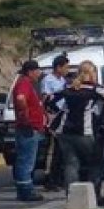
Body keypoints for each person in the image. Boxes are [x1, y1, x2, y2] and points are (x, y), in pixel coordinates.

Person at [53, 60, 104, 206]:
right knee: (96, 162)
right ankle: (94, 196)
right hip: (84, 132)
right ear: (92, 73)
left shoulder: (69, 86)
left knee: (71, 164)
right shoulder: (94, 89)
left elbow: (51, 99)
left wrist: (56, 113)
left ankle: (71, 197)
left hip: (64, 132)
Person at [11, 60, 47, 202]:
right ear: (30, 71)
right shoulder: (24, 84)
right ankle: (26, 191)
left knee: (26, 160)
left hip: (32, 128)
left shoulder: (28, 84)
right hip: (28, 128)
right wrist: (26, 115)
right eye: (37, 71)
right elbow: (21, 98)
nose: (39, 74)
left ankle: (24, 189)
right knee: (26, 161)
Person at [38, 54, 70, 191]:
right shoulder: (48, 80)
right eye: (66, 67)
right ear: (58, 67)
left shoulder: (63, 80)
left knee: (61, 151)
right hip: (53, 118)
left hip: (63, 116)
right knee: (52, 151)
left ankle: (58, 178)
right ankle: (49, 179)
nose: (67, 70)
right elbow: (46, 100)